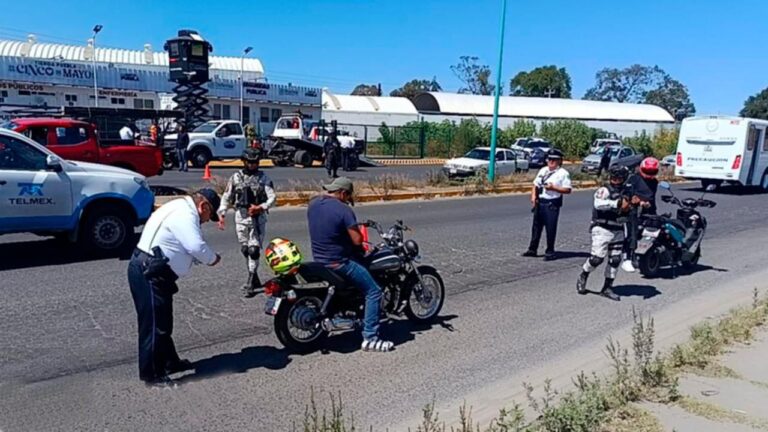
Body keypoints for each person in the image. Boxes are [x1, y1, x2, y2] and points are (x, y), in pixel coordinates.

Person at [127, 188, 222, 387]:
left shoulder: (178, 205)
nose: (206, 220)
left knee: (163, 321)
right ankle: (152, 375)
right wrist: (213, 259)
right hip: (151, 272)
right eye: (208, 215)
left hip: (155, 270)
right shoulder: (186, 214)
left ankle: (170, 362)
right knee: (154, 326)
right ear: (203, 206)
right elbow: (196, 246)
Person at [307, 177, 393, 352]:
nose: (348, 200)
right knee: (374, 291)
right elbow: (357, 239)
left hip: (319, 259)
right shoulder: (343, 210)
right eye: (348, 196)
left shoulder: (314, 204)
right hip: (339, 261)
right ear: (343, 193)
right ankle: (370, 337)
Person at [217, 148, 276, 297]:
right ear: (244, 161)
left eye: (255, 162)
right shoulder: (236, 177)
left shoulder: (264, 178)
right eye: (250, 162)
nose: (253, 165)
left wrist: (261, 207)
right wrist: (222, 213)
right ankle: (254, 275)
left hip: (258, 218)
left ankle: (250, 282)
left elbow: (272, 198)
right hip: (241, 216)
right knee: (245, 249)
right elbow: (227, 195)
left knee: (253, 250)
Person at [576, 165, 637, 301]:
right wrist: (617, 204)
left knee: (615, 260)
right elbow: (598, 204)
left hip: (618, 229)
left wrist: (637, 204)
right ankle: (584, 275)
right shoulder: (604, 190)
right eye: (613, 177)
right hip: (602, 228)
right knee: (597, 259)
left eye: (619, 177)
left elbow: (631, 206)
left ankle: (607, 288)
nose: (615, 180)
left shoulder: (628, 191)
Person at [522, 149, 572, 261]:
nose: (551, 162)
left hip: (552, 204)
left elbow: (568, 190)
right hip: (540, 202)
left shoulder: (563, 173)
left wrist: (554, 188)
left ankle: (550, 251)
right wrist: (533, 196)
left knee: (550, 229)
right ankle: (532, 249)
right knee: (536, 227)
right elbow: (535, 184)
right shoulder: (543, 170)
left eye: (554, 160)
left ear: (559, 161)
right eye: (549, 159)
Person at [620, 157, 659, 272]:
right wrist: (637, 201)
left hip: (648, 211)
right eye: (647, 172)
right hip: (633, 210)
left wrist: (645, 203)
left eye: (652, 172)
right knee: (632, 233)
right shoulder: (633, 179)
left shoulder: (654, 182)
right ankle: (627, 257)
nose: (649, 175)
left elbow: (650, 196)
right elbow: (627, 195)